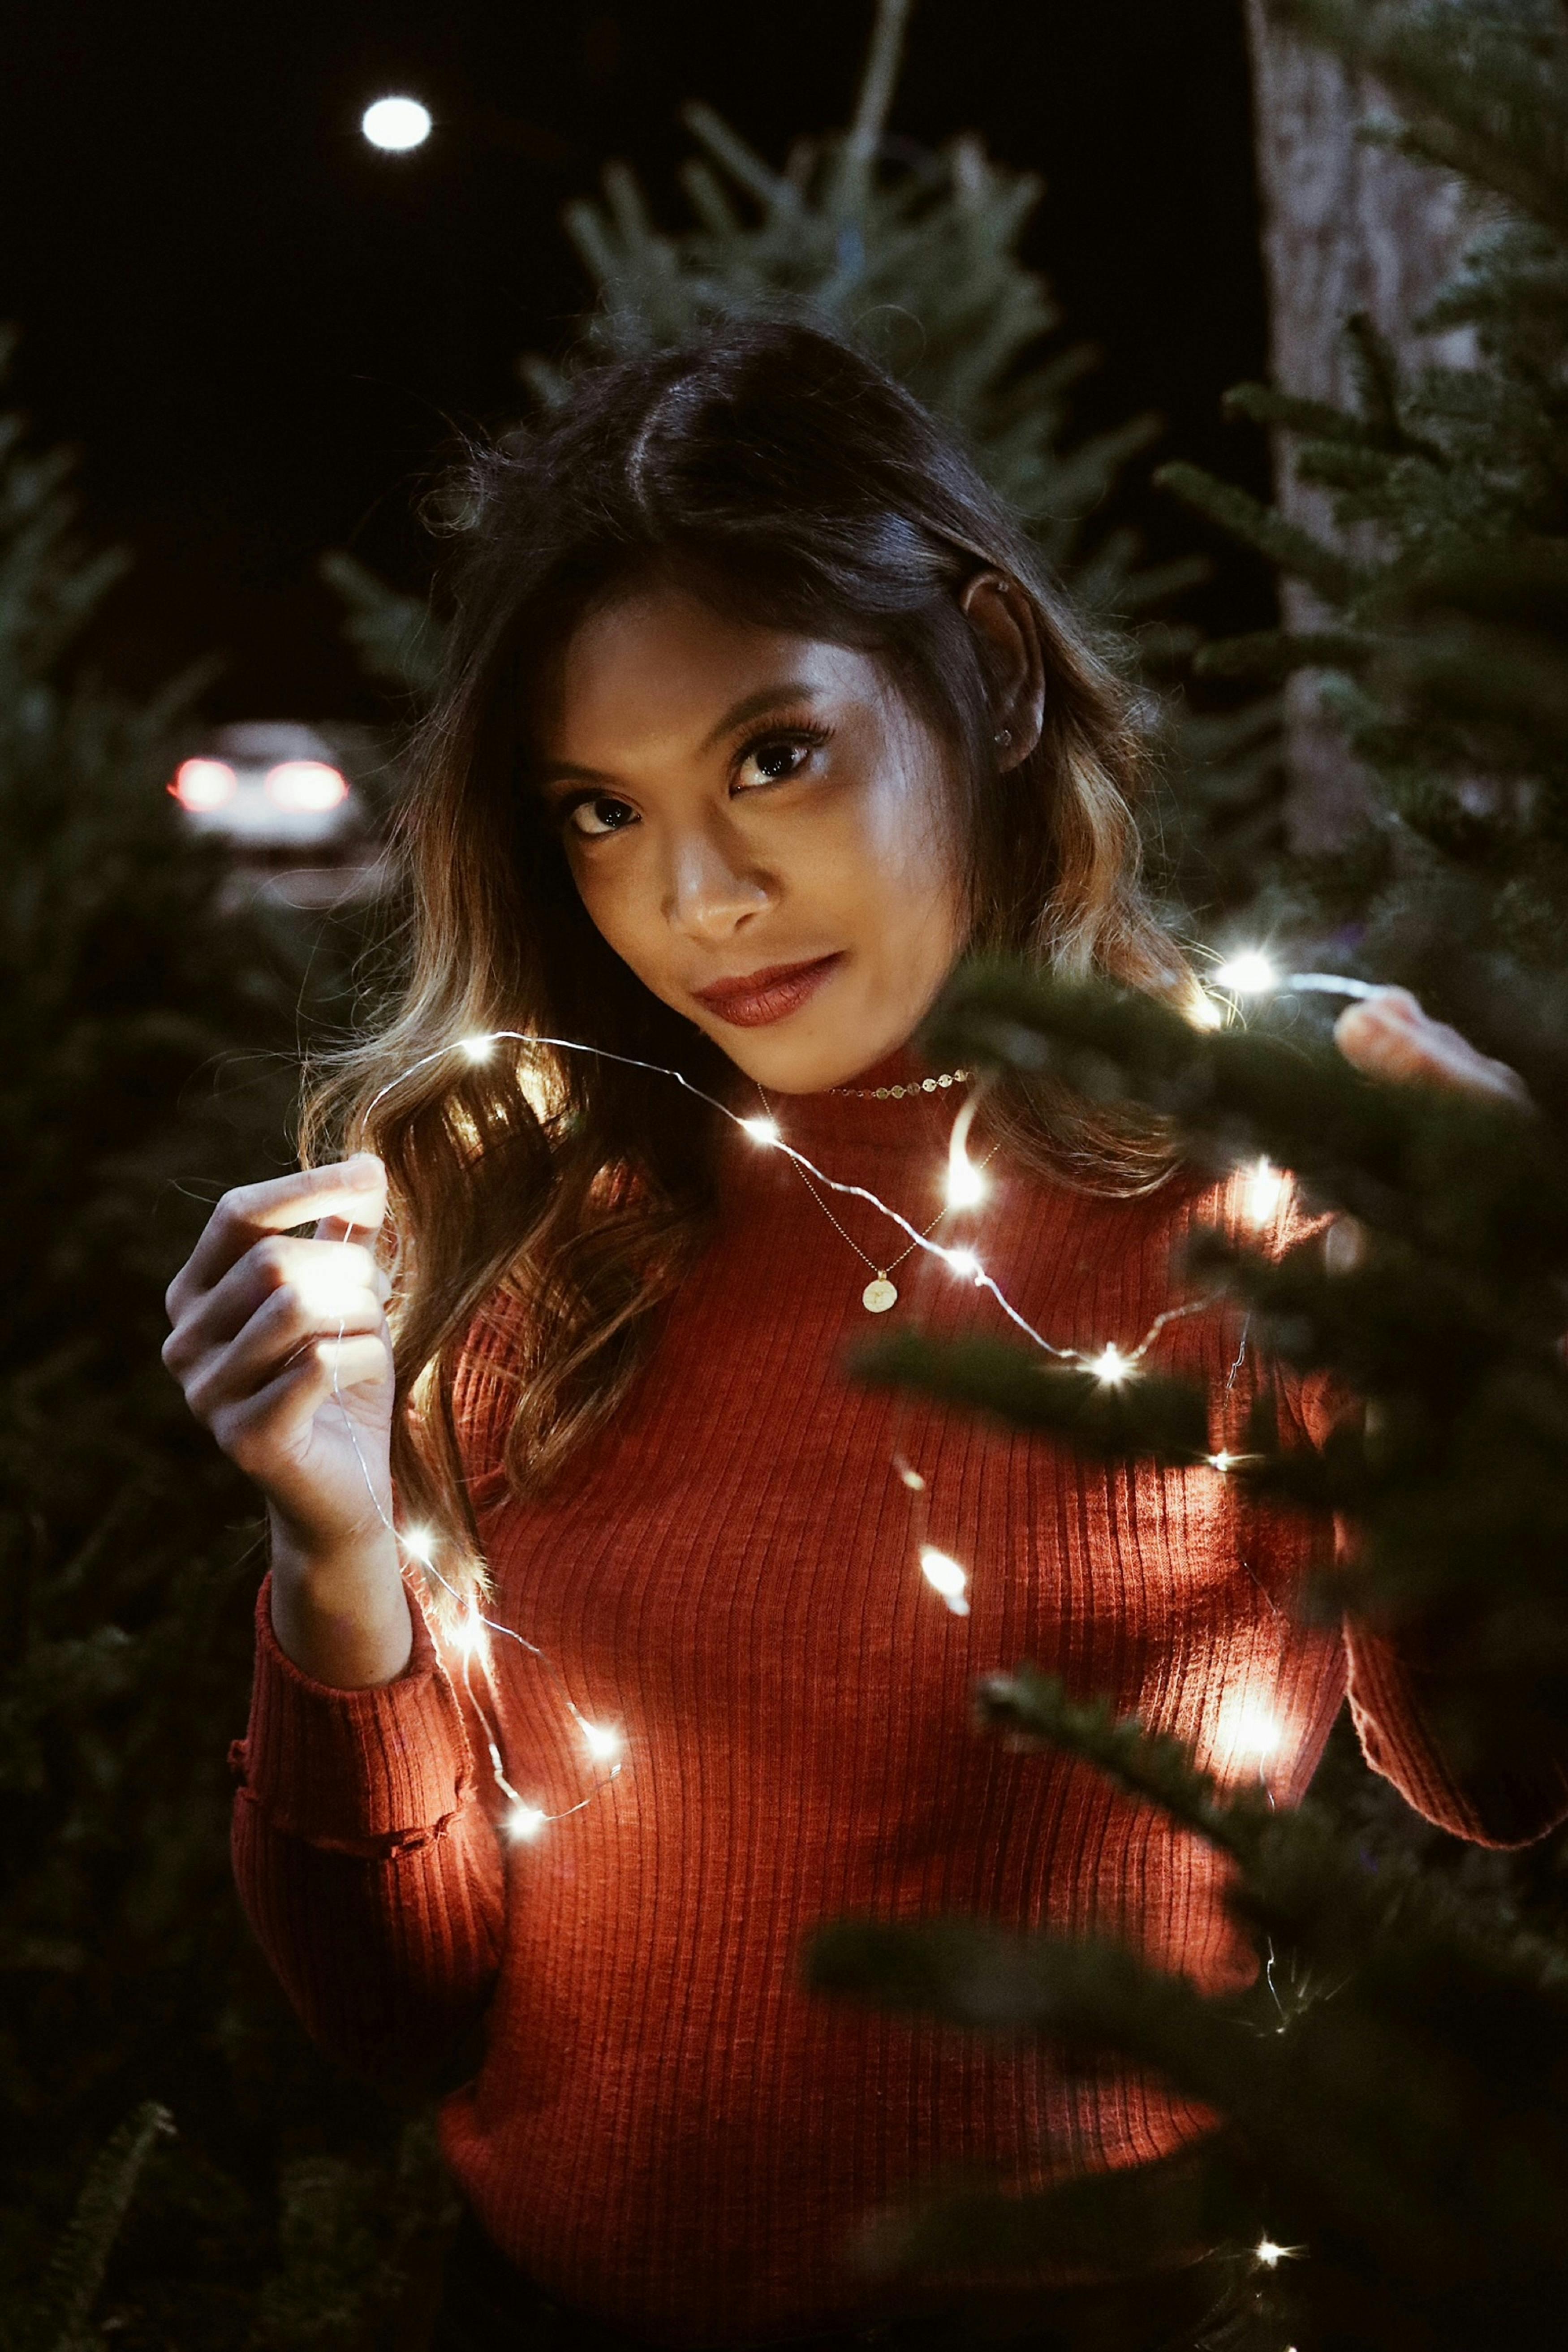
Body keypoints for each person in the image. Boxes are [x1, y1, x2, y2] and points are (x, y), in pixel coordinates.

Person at [160, 323, 1561, 2352]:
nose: (700, 894)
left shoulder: (1254, 1192)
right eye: (599, 810)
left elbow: (1501, 1775)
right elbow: (392, 2006)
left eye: (771, 755)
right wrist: (328, 1544)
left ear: (990, 674)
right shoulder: (542, 1215)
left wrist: (1471, 1359)